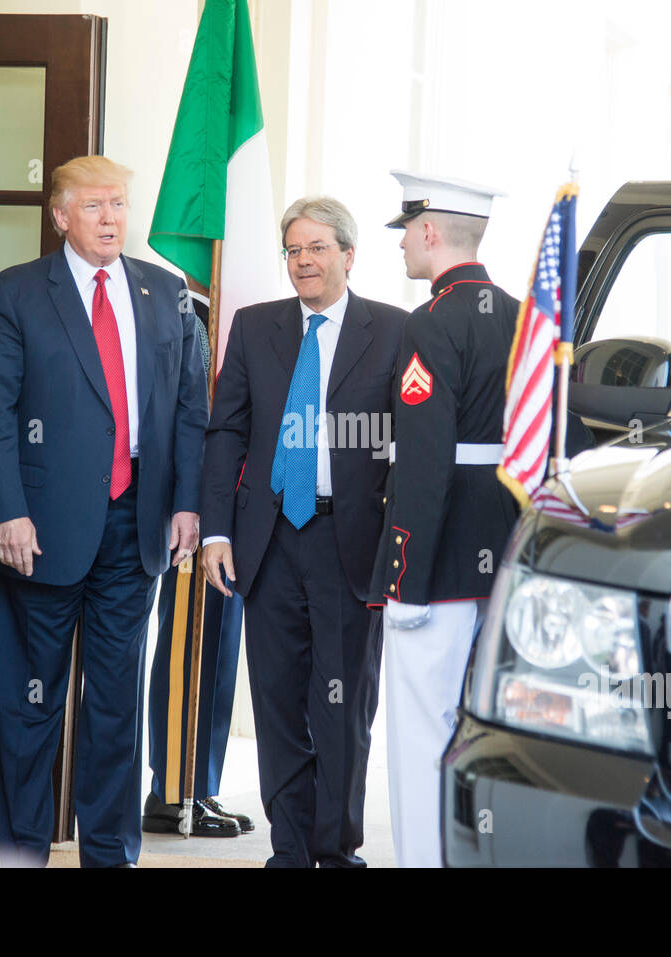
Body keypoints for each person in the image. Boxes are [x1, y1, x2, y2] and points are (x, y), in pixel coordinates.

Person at [0, 155, 207, 868]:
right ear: (61, 215)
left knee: (115, 708)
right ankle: (22, 856)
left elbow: (191, 409)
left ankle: (111, 855)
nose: (112, 218)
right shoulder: (14, 293)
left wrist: (189, 502)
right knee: (30, 707)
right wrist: (6, 510)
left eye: (120, 204)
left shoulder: (166, 292)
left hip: (136, 527)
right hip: (38, 532)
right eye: (96, 205)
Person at [372, 170, 593, 867]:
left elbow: (425, 461)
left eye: (407, 229)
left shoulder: (431, 323)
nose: (403, 242)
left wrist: (404, 577)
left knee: (420, 731)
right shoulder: (529, 318)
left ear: (431, 231)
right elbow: (558, 441)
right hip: (506, 550)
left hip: (436, 566)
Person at [200, 197, 407, 867]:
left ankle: (336, 846)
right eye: (293, 250)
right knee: (279, 703)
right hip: (268, 544)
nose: (304, 261)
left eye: (317, 248)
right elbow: (227, 429)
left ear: (349, 255)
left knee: (341, 706)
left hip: (350, 544)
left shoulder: (394, 331)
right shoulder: (256, 327)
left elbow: (415, 446)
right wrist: (215, 533)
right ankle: (288, 847)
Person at [143, 281, 251, 838]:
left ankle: (200, 786)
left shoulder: (246, 306)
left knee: (219, 652)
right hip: (192, 508)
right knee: (190, 645)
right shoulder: (182, 310)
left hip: (232, 511)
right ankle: (172, 792)